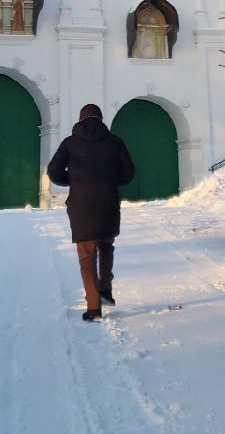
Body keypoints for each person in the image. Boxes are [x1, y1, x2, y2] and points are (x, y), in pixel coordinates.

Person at [46, 103, 135, 321]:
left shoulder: (70, 143)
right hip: (108, 203)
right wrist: (111, 181)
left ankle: (93, 307)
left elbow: (53, 171)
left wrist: (73, 181)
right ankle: (105, 289)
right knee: (106, 245)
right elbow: (129, 172)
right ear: (101, 118)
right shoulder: (115, 142)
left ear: (81, 119)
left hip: (81, 205)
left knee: (87, 256)